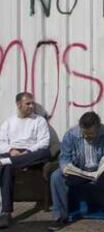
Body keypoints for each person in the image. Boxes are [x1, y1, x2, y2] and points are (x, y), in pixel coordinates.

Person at [48, 111, 104, 231]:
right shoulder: (71, 135)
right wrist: (65, 167)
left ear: (98, 128)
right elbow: (64, 157)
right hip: (78, 172)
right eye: (84, 133)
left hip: (100, 173)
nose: (87, 136)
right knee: (56, 176)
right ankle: (60, 217)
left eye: (91, 134)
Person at [0, 92, 51, 228]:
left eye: (32, 103)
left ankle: (9, 161)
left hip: (32, 154)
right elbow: (1, 142)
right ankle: (5, 213)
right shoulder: (9, 122)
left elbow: (44, 143)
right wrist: (11, 150)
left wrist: (27, 152)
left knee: (45, 152)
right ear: (18, 104)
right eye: (28, 103)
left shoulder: (39, 121)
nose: (31, 106)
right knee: (6, 167)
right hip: (13, 154)